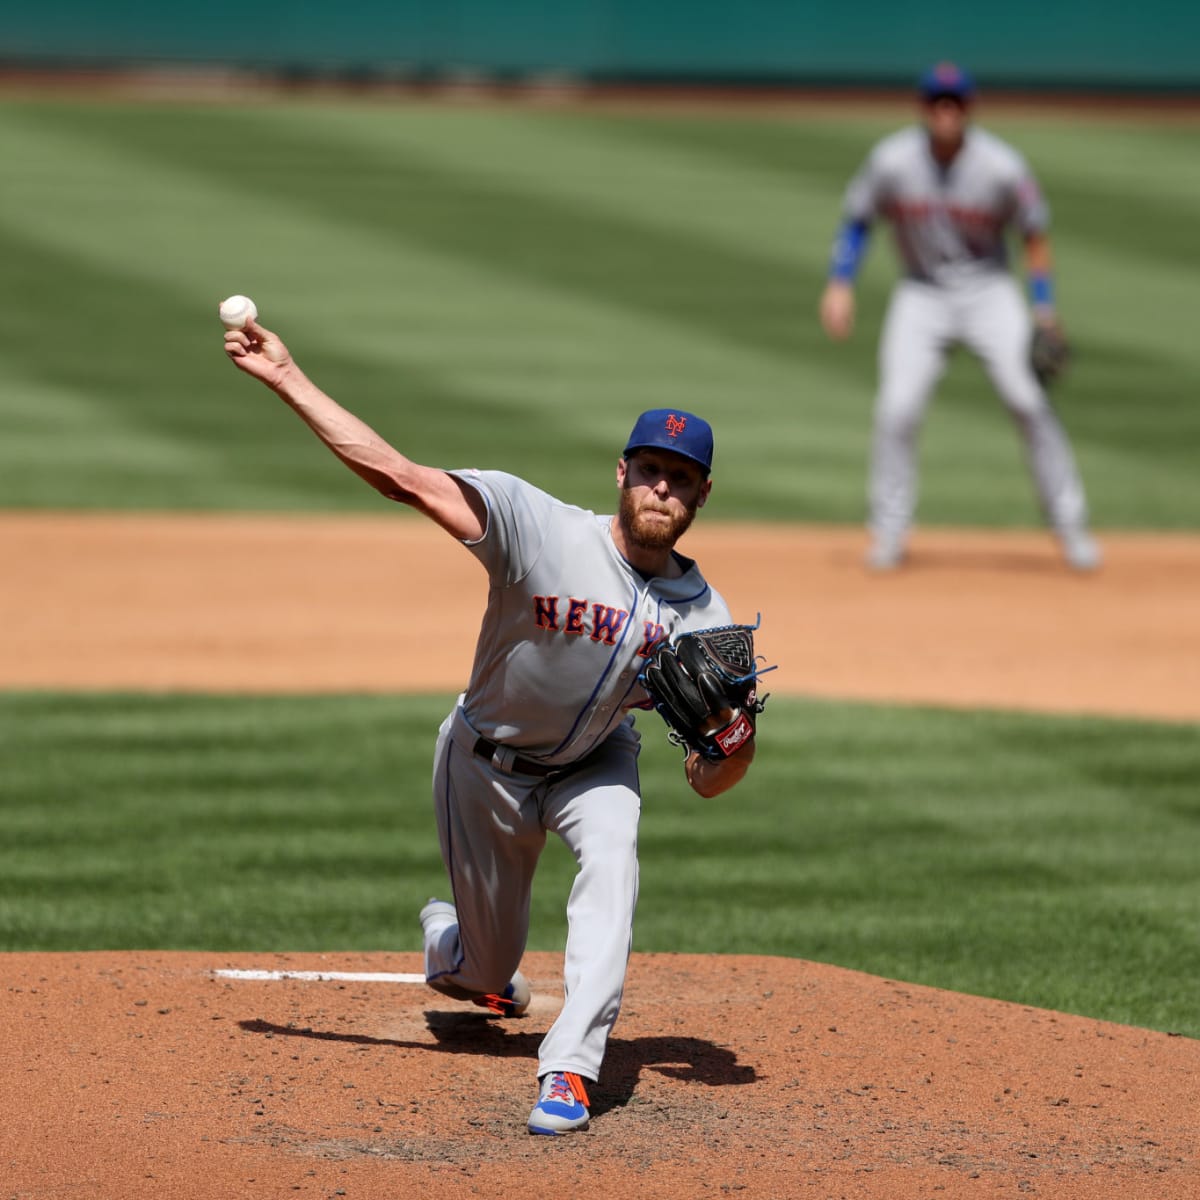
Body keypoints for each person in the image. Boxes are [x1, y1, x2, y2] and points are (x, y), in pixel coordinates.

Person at [222, 315, 757, 1136]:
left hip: (595, 763)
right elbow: (401, 477)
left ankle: (570, 1073)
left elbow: (709, 781)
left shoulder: (707, 618)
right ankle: (462, 955)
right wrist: (288, 377)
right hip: (484, 765)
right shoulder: (537, 527)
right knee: (484, 973)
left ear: (702, 495)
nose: (661, 488)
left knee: (615, 864)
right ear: (621, 471)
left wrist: (734, 749)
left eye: (681, 478)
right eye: (649, 469)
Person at [818, 61, 1100, 572]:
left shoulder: (1001, 167)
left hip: (989, 292)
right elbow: (858, 220)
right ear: (924, 108)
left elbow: (1034, 234)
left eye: (955, 103)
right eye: (936, 102)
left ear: (969, 109)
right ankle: (889, 533)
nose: (946, 112)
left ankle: (1071, 527)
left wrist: (1044, 309)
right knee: (897, 409)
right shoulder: (892, 161)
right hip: (921, 295)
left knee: (1028, 402)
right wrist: (840, 283)